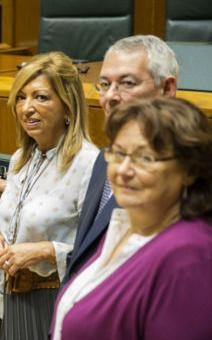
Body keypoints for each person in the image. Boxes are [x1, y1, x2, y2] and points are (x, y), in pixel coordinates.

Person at [52, 97, 212, 340]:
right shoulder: (125, 226)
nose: (123, 170)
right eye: (118, 153)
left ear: (189, 169)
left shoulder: (188, 256)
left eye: (145, 158)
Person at [0, 52, 98, 339]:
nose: (27, 108)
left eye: (41, 97)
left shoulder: (89, 163)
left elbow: (100, 252)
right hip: (15, 295)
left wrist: (43, 251)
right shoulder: (23, 157)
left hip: (58, 298)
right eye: (21, 97)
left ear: (68, 105)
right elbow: (17, 221)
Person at [63, 35, 179, 284]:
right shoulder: (105, 158)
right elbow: (87, 251)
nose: (110, 97)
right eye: (104, 84)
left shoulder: (184, 175)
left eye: (127, 83)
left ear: (167, 89)